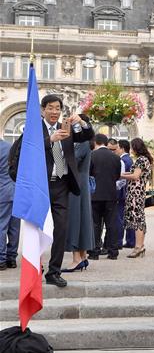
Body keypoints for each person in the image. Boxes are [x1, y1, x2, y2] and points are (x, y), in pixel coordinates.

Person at [8, 94, 94, 288]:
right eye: (50, 108)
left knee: (61, 229)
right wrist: (50, 140)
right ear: (42, 110)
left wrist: (82, 122)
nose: (54, 112)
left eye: (58, 108)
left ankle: (54, 272)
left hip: (61, 185)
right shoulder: (33, 129)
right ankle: (34, 268)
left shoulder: (67, 128)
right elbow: (24, 153)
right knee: (37, 229)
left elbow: (87, 136)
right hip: (40, 185)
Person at [64, 115, 94, 272]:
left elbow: (71, 161)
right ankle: (82, 257)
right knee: (81, 219)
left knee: (75, 219)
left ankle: (77, 258)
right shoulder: (83, 142)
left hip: (76, 184)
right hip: (80, 183)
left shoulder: (82, 143)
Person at [88, 134, 122, 260]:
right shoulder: (116, 157)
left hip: (95, 194)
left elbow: (88, 174)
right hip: (111, 194)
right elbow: (117, 175)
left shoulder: (92, 156)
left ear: (95, 142)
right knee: (111, 224)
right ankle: (113, 251)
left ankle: (94, 251)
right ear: (106, 143)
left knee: (95, 224)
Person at [122, 137, 153, 258]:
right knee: (140, 218)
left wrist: (121, 176)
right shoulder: (146, 159)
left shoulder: (140, 160)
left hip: (135, 193)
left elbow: (135, 176)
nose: (131, 150)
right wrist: (123, 174)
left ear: (136, 148)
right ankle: (141, 245)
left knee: (137, 220)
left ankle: (138, 247)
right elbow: (135, 173)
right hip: (140, 193)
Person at [0, 140, 20, 271]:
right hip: (16, 191)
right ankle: (11, 258)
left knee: (1, 225)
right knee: (14, 226)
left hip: (2, 191)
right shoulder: (10, 146)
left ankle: (1, 259)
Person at [115, 139, 135, 248]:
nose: (116, 150)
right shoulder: (129, 159)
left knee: (119, 218)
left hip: (122, 192)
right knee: (128, 216)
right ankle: (131, 241)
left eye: (117, 147)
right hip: (128, 192)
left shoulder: (123, 160)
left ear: (122, 148)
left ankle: (118, 241)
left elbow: (121, 178)